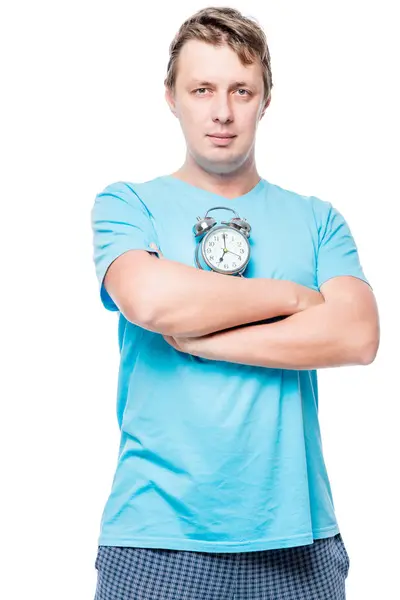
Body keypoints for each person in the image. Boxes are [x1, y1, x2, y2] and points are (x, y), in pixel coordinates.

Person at [90, 6, 380, 599]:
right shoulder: (127, 204)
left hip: (298, 539)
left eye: (241, 90)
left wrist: (204, 337)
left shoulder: (318, 219)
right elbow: (148, 299)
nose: (222, 111)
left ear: (265, 99)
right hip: (156, 536)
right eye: (202, 89)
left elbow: (357, 336)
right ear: (171, 97)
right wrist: (293, 297)